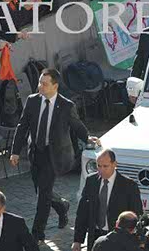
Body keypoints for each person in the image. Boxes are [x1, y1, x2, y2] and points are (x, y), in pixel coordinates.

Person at [10, 68, 100, 243]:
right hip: (36, 152)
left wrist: (88, 138)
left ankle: (37, 234)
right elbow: (22, 126)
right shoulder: (32, 101)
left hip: (54, 155)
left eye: (44, 84)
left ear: (55, 86)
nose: (40, 86)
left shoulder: (66, 106)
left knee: (43, 195)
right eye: (39, 82)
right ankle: (62, 206)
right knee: (42, 190)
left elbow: (76, 125)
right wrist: (15, 151)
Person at [73, 149, 143, 251]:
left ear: (114, 164)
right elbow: (82, 212)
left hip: (118, 239)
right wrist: (77, 240)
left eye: (105, 166)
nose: (101, 170)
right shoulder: (91, 181)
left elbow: (137, 214)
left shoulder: (129, 185)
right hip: (95, 235)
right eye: (99, 166)